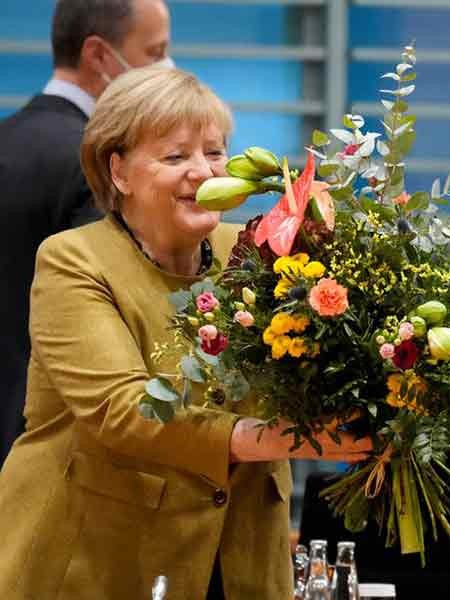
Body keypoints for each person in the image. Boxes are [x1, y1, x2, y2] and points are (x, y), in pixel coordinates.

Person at [0, 67, 371, 599]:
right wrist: (283, 439)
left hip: (243, 561)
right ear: (119, 171)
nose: (202, 171)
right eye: (176, 157)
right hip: (101, 564)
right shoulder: (74, 261)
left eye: (215, 153)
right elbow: (124, 412)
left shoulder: (259, 252)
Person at [0, 0, 173, 466]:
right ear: (98, 55)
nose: (166, 69)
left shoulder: (9, 137)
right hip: (52, 444)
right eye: (155, 53)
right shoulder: (97, 164)